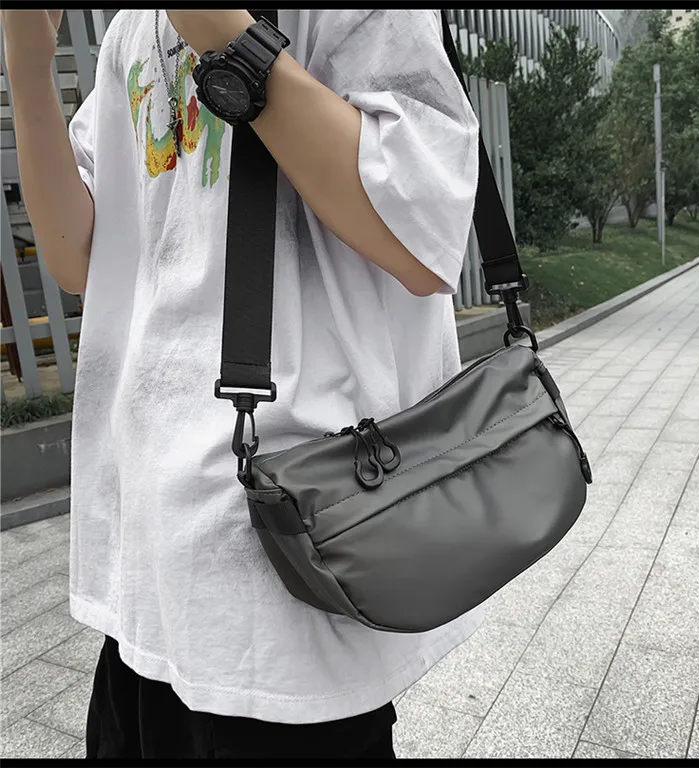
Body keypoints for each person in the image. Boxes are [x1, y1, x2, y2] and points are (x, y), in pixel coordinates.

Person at [2, 8, 483, 759]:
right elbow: (77, 257)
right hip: (147, 573)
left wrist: (220, 31)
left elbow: (423, 239)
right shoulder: (131, 29)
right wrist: (29, 59)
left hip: (287, 573)